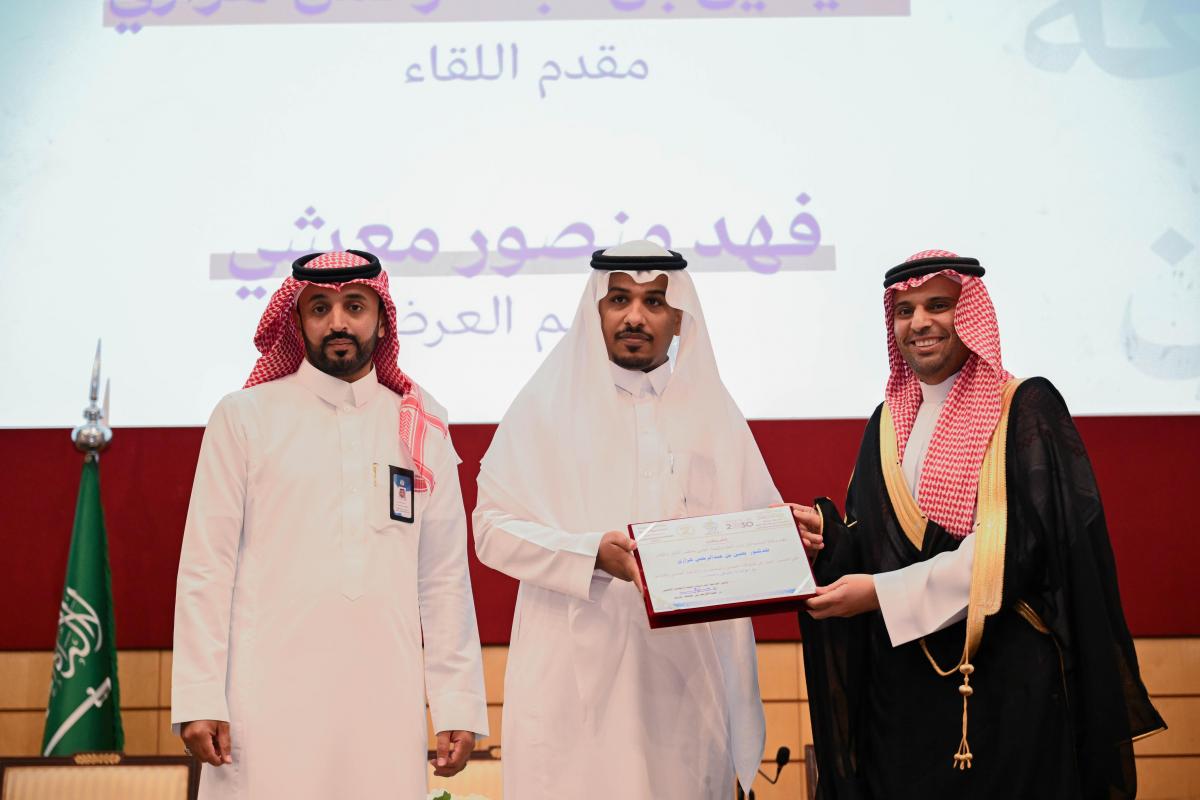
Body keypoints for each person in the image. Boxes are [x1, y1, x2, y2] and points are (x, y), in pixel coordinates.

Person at [795, 250, 1165, 798]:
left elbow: (1015, 551)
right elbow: (880, 541)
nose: (919, 323)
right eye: (904, 311)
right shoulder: (886, 422)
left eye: (937, 305)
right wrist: (828, 538)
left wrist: (879, 593)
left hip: (1003, 691)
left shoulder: (1024, 407)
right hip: (905, 702)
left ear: (969, 312)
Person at [473, 240, 815, 798]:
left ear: (679, 317)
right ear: (596, 311)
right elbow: (490, 529)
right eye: (619, 300)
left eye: (655, 301)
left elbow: (759, 530)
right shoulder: (545, 408)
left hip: (684, 684)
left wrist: (794, 540)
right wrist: (589, 555)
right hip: (570, 685)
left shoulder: (713, 413)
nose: (635, 316)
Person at [171, 250, 488, 798]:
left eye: (355, 306)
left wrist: (456, 702)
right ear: (298, 322)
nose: (338, 322)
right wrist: (200, 696)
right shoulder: (244, 416)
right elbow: (206, 566)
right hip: (265, 703)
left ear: (382, 321)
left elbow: (443, 578)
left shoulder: (421, 424)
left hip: (384, 704)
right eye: (320, 308)